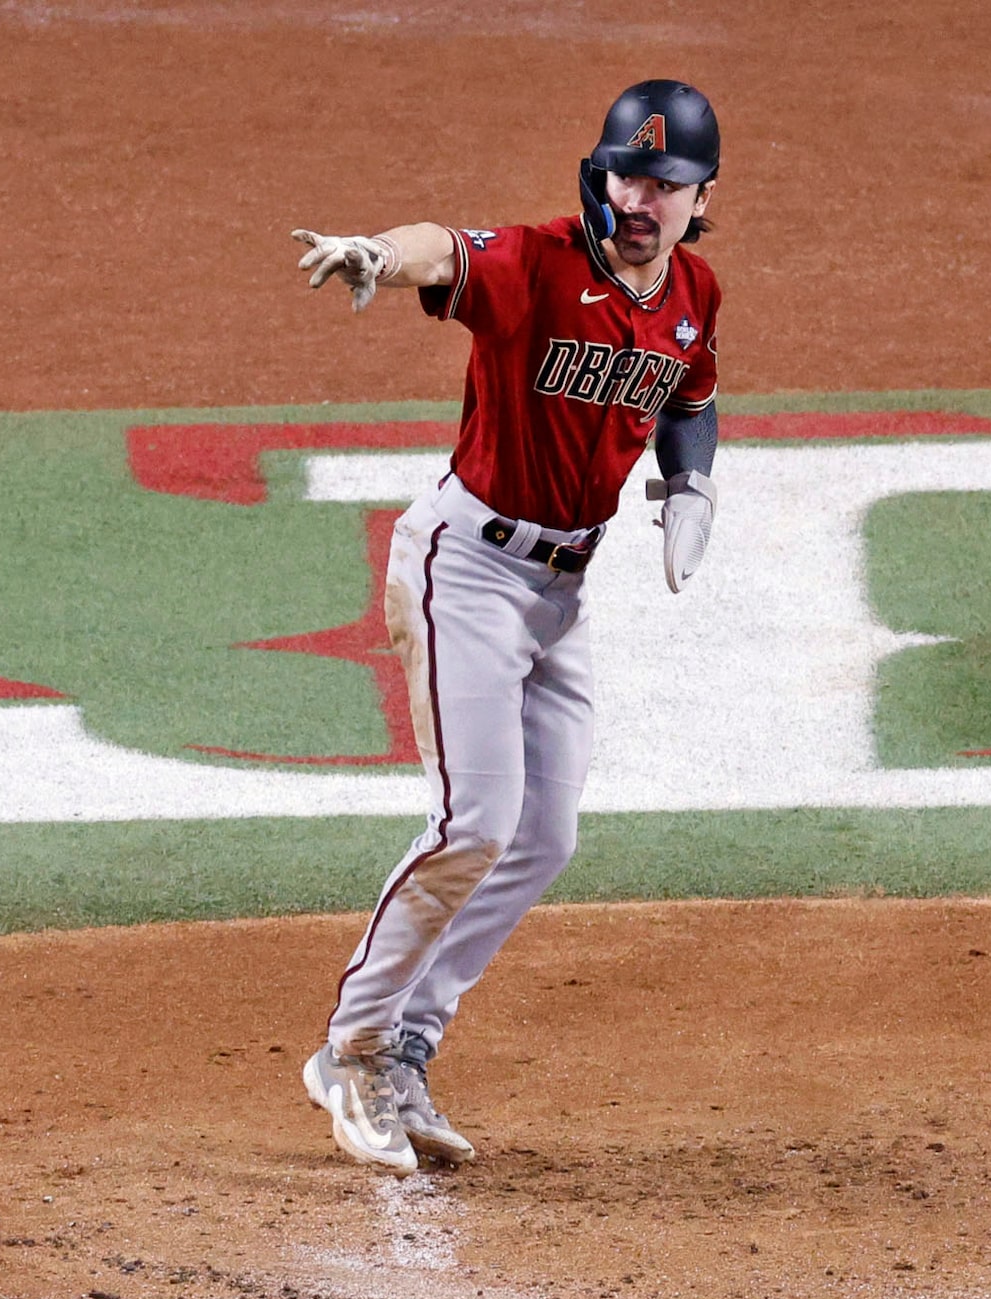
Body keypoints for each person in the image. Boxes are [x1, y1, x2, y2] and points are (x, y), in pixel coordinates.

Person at [287, 78, 725, 1173]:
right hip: (465, 567)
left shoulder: (694, 292)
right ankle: (351, 1048)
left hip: (559, 594)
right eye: (628, 173)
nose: (641, 198)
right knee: (473, 823)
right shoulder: (538, 265)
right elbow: (448, 249)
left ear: (700, 195)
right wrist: (380, 257)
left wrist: (691, 484)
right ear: (601, 171)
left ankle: (409, 1045)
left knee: (543, 837)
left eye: (665, 184)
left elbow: (690, 392)